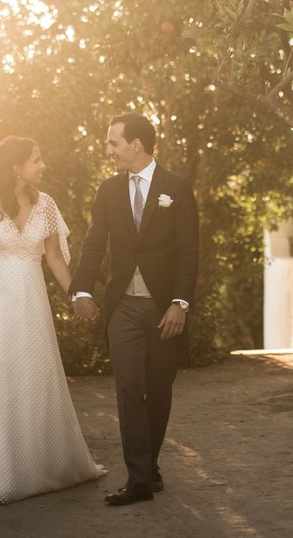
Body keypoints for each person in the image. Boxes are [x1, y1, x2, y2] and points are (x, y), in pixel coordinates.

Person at [0, 136, 106, 505]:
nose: (43, 166)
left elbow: (55, 259)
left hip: (31, 304)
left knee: (33, 377)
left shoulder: (46, 205)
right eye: (36, 160)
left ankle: (36, 467)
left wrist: (79, 296)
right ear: (16, 167)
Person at [71, 113, 199, 506]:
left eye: (113, 143)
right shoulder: (109, 189)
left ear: (135, 145)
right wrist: (82, 291)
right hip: (123, 306)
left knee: (159, 389)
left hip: (164, 309)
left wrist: (179, 303)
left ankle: (149, 465)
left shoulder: (176, 187)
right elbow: (94, 243)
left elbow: (189, 251)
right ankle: (139, 479)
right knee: (128, 389)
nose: (109, 150)